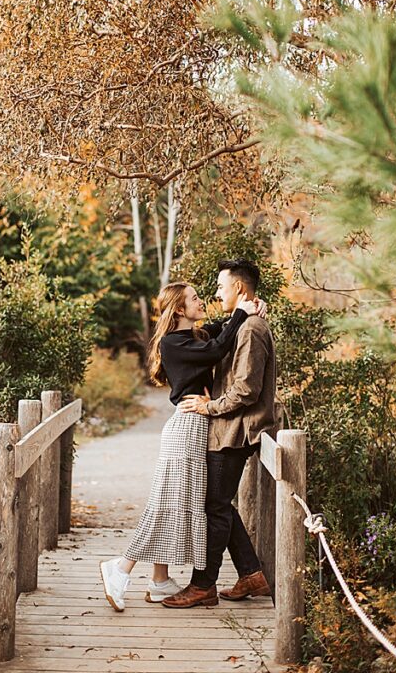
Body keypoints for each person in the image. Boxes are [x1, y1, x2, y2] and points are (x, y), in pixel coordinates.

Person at [98, 282, 264, 611]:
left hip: (198, 426)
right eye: (194, 299)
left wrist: (248, 311)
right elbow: (218, 349)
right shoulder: (174, 343)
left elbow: (218, 332)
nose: (202, 301)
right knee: (166, 504)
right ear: (178, 309)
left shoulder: (194, 336)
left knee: (176, 505)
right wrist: (240, 315)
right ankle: (120, 568)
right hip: (186, 427)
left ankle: (160, 581)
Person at [164, 258, 277, 609]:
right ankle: (251, 575)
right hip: (225, 430)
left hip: (235, 431)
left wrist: (207, 407)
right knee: (220, 504)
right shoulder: (242, 326)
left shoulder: (252, 330)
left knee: (214, 506)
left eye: (220, 286)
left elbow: (245, 390)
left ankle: (202, 585)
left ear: (239, 289)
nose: (216, 293)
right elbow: (215, 341)